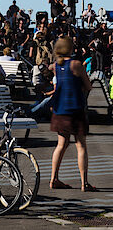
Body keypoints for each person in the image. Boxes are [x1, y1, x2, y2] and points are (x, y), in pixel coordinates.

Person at [49, 37, 95, 191]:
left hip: (60, 110)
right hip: (75, 110)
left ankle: (53, 178)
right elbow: (88, 86)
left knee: (61, 145)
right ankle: (84, 183)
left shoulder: (56, 65)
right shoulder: (76, 65)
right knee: (81, 145)